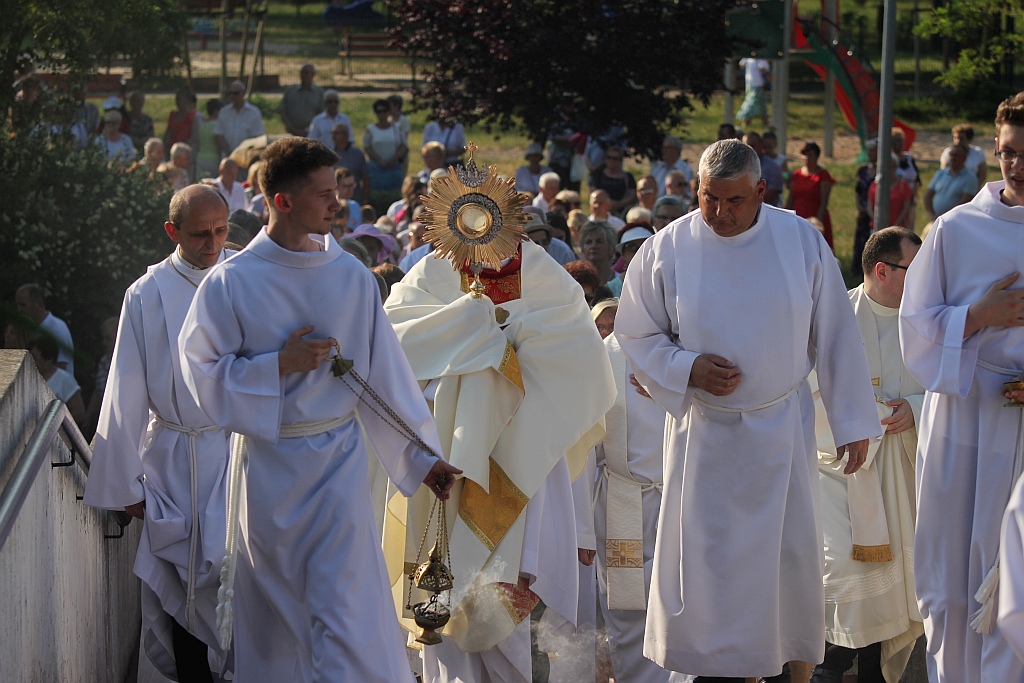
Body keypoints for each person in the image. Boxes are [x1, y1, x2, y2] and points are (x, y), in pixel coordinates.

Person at [179, 137, 459, 682]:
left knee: (344, 610)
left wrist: (422, 457)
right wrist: (274, 366)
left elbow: (385, 377)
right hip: (270, 470)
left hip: (338, 466)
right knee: (279, 621)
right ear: (283, 202)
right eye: (324, 194)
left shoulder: (350, 276)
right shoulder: (231, 282)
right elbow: (200, 375)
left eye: (337, 191)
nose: (338, 203)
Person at [615, 139, 881, 681]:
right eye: (709, 198)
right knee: (710, 570)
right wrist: (687, 368)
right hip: (704, 437)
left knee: (783, 563)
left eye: (734, 200)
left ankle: (782, 668)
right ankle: (715, 671)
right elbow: (635, 332)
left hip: (781, 431)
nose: (719, 213)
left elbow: (835, 333)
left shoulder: (800, 241)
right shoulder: (668, 248)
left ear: (761, 191)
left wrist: (852, 422)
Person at [383, 187, 615, 683]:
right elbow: (394, 343)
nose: (483, 247)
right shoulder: (431, 273)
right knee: (444, 600)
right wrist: (471, 337)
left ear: (512, 223)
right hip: (447, 457)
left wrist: (495, 346)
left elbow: (581, 362)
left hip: (526, 460)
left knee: (515, 613)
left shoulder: (544, 276)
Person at [82, 185, 235, 681]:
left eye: (221, 230)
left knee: (244, 581)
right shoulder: (147, 294)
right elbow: (125, 388)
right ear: (172, 231)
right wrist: (124, 482)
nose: (213, 244)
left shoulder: (247, 278)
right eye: (200, 234)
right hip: (175, 459)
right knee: (181, 589)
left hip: (240, 453)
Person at [899, 91, 1024, 683]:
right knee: (950, 572)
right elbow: (916, 327)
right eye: (1009, 152)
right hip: (962, 412)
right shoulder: (956, 229)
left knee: (1012, 573)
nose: (1017, 165)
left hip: (1019, 421)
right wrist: (979, 316)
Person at [809, 226, 925, 683]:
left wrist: (916, 409)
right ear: (882, 270)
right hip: (844, 471)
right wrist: (867, 416)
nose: (925, 279)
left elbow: (953, 387)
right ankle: (829, 665)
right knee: (846, 569)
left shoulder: (927, 320)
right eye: (914, 269)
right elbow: (809, 391)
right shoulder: (835, 317)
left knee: (899, 572)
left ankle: (875, 671)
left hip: (905, 469)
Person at [15, 283, 74, 375]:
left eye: (23, 305)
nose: (19, 310)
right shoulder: (30, 328)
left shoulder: (56, 328)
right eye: (17, 305)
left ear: (39, 304)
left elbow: (61, 366)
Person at [787, 140, 835, 249]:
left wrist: (817, 224)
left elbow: (824, 202)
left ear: (817, 157)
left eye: (810, 155)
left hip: (814, 217)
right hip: (797, 218)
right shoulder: (797, 174)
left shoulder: (823, 176)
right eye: (804, 154)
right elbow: (791, 198)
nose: (806, 158)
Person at [29, 335, 86, 427]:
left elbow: (79, 413)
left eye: (35, 357)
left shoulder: (65, 380)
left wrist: (54, 425)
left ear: (48, 358)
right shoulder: (29, 379)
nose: (31, 361)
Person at [364, 98, 407, 209]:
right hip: (376, 168)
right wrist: (379, 160)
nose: (382, 114)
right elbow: (367, 147)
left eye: (384, 111)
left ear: (389, 112)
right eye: (379, 111)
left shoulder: (397, 128)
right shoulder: (370, 129)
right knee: (377, 199)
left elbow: (403, 146)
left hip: (394, 168)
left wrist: (392, 159)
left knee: (395, 198)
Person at [925, 144, 978, 220]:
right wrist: (931, 214)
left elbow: (965, 201)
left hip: (955, 220)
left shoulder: (970, 177)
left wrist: (945, 216)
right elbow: (928, 195)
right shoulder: (941, 173)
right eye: (951, 155)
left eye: (956, 156)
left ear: (964, 158)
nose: (953, 158)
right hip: (936, 219)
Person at [214, 80, 265, 158]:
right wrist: (229, 153)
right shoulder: (224, 112)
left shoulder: (254, 112)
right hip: (228, 157)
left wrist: (244, 154)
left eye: (236, 93)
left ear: (243, 93)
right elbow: (219, 135)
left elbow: (257, 137)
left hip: (247, 157)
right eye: (230, 93)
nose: (232, 96)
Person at [868, 154, 915, 231]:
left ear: (896, 167)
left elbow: (906, 208)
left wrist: (895, 225)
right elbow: (869, 207)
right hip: (877, 229)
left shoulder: (903, 186)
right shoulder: (874, 185)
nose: (887, 169)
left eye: (890, 166)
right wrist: (877, 222)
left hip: (898, 229)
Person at [278, 63, 323, 137]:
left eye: (307, 72)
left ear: (313, 75)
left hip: (311, 133)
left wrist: (308, 129)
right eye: (302, 72)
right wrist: (291, 128)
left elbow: (321, 114)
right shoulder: (290, 91)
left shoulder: (319, 93)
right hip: (291, 132)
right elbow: (283, 110)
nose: (304, 75)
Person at [581, 220, 622, 296]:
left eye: (599, 241)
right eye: (588, 242)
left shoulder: (621, 281)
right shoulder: (577, 282)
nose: (593, 246)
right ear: (583, 249)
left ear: (611, 247)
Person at [329, 124, 369, 203]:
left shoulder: (357, 154)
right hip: (334, 201)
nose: (333, 136)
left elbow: (366, 177)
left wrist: (365, 199)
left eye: (336, 133)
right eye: (333, 133)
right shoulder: (329, 154)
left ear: (345, 134)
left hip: (355, 199)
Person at [941, 123, 988, 189]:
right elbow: (944, 172)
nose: (957, 141)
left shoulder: (978, 152)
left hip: (972, 187)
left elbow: (982, 174)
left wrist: (974, 187)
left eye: (961, 138)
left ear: (969, 140)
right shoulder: (948, 152)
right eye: (955, 138)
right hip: (952, 187)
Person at [743, 132, 784, 207]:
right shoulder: (737, 166)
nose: (749, 149)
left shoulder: (772, 167)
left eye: (752, 146)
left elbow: (771, 193)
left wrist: (746, 202)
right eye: (745, 147)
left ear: (761, 145)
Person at [738, 57, 771, 129]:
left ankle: (765, 123)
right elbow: (764, 70)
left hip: (754, 84)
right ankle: (746, 122)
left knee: (761, 104)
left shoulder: (753, 59)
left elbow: (742, 64)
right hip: (754, 84)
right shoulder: (757, 59)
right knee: (752, 103)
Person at [196, 98, 223, 180]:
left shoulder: (202, 125)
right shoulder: (217, 125)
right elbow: (218, 144)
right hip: (213, 159)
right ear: (216, 111)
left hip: (200, 158)